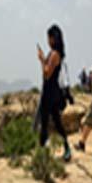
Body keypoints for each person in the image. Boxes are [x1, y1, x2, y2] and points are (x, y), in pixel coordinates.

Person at [37, 24, 72, 162]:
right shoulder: (55, 54)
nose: (47, 41)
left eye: (48, 38)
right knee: (56, 122)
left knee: (45, 122)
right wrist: (45, 58)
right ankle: (66, 148)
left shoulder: (55, 54)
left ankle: (41, 154)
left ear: (52, 38)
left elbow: (47, 74)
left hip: (49, 92)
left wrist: (41, 60)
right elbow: (50, 67)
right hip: (53, 91)